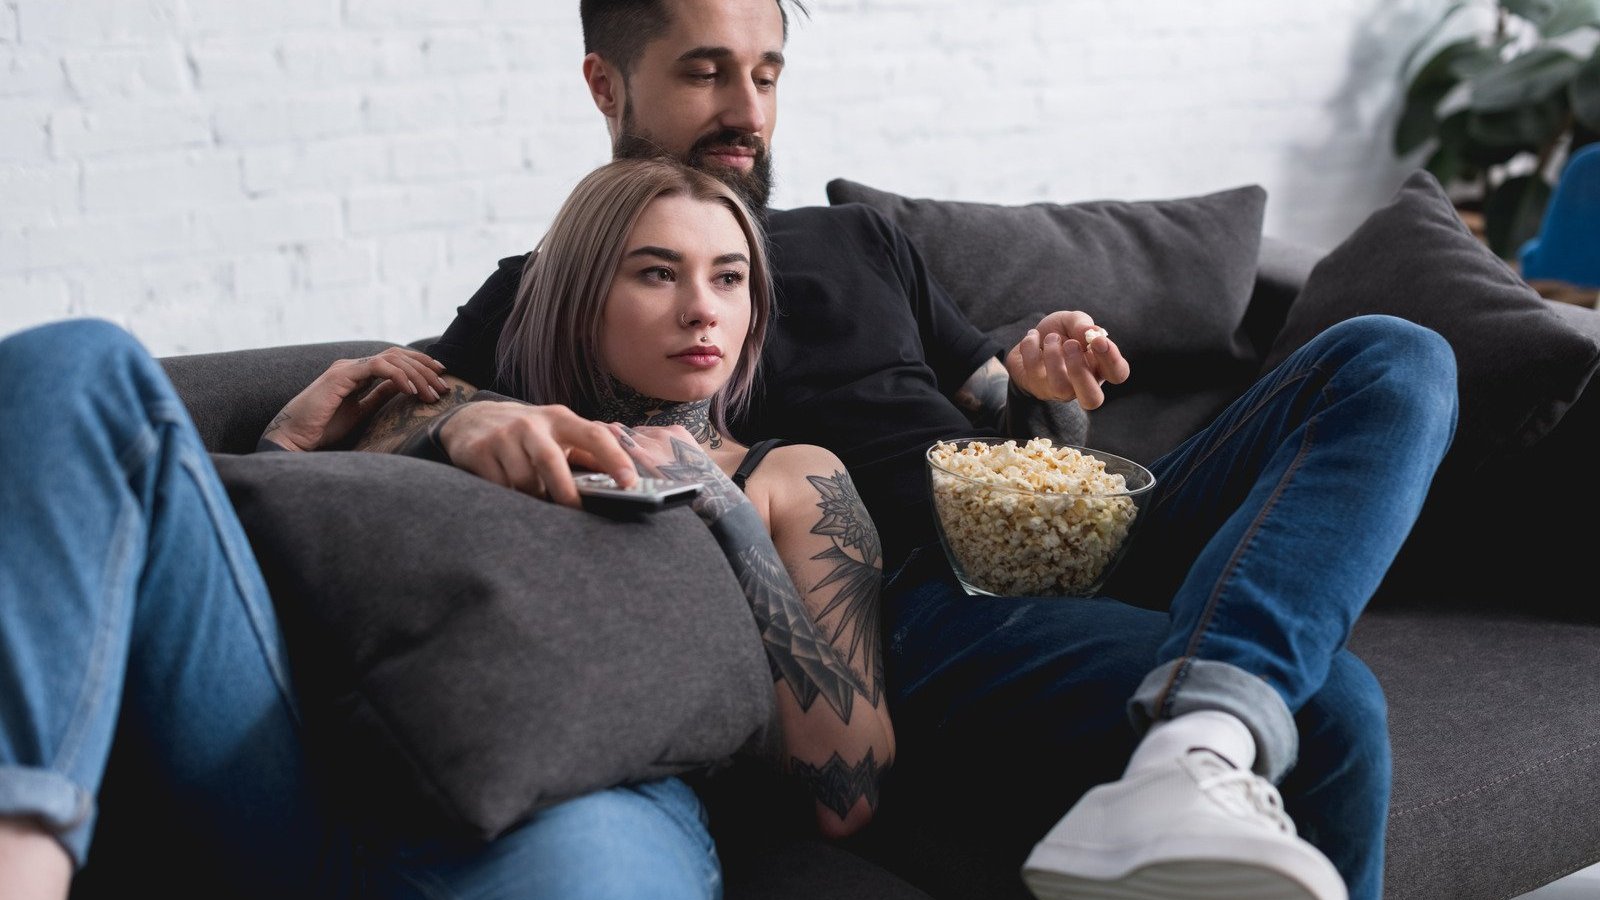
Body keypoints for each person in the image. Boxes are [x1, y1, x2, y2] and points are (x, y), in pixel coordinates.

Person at [340, 2, 1461, 899]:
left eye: (767, 74)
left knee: (1392, 356)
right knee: (1333, 709)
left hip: (1070, 525)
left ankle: (1199, 729)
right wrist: (458, 416)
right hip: (923, 607)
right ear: (607, 84)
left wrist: (1037, 385)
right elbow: (383, 413)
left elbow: (998, 399)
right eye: (704, 71)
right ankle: (1216, 722)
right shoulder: (558, 287)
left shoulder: (858, 238)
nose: (746, 108)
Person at [0, 155, 890, 900]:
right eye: (658, 272)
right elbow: (266, 612)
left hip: (586, 804)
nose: (703, 308)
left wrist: (723, 514)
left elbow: (843, 795)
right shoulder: (463, 419)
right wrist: (288, 448)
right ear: (580, 297)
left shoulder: (791, 479)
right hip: (312, 772)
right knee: (74, 364)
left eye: (728, 278)